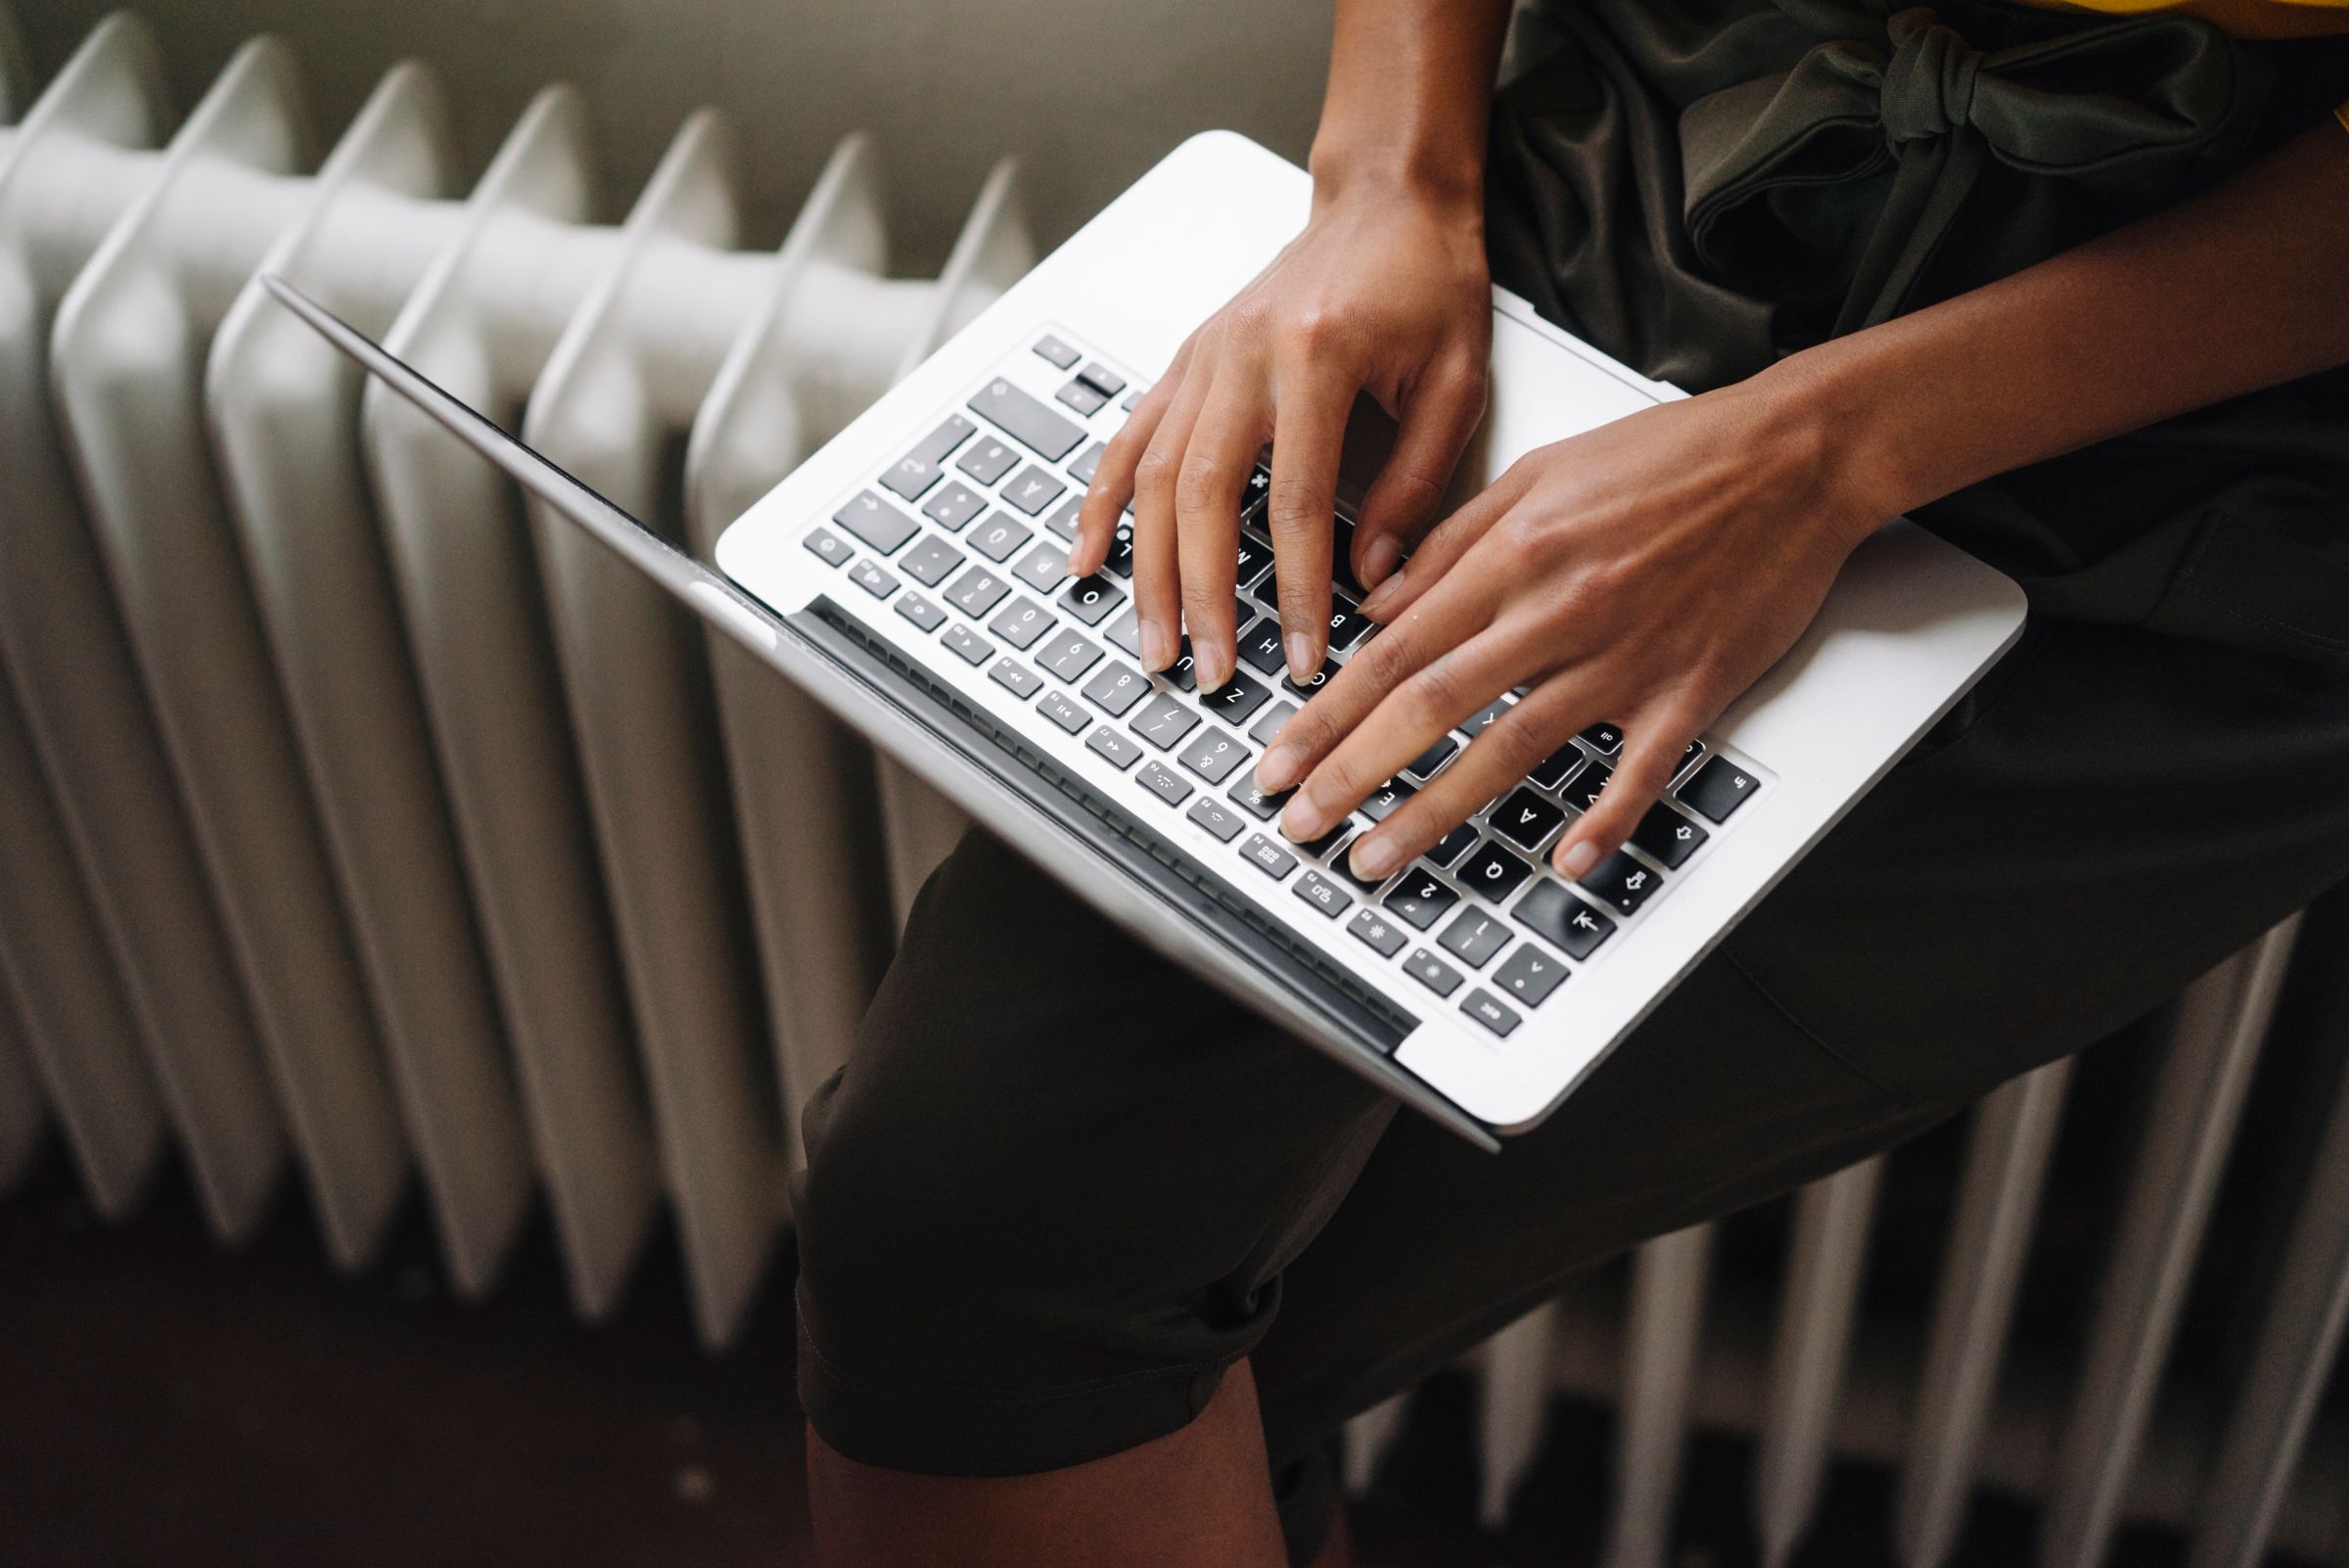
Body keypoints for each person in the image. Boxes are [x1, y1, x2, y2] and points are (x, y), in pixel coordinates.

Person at [792, 1, 2349, 1563]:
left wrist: (1825, 457)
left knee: (1202, 1335)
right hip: (1678, 142)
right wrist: (1387, 176)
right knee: (986, 1252)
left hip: (2203, 418)